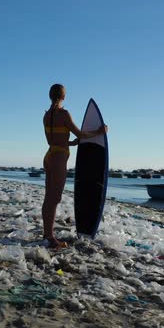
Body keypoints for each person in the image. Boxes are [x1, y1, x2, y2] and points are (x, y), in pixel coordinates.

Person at [42, 84, 107, 248]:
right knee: (54, 199)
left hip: (50, 156)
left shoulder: (47, 115)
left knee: (48, 198)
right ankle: (50, 238)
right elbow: (81, 134)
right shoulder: (64, 114)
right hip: (58, 160)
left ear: (50, 96)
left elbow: (53, 141)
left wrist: (72, 143)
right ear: (63, 96)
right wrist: (99, 132)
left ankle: (46, 234)